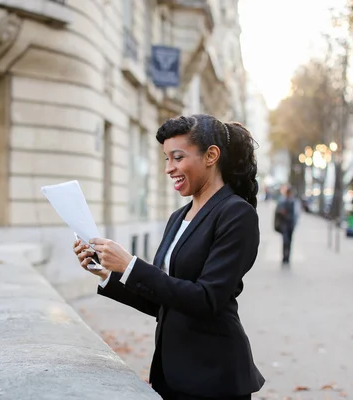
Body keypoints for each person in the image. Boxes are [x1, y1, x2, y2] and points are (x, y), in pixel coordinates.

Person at [73, 114, 265, 399]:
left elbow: (206, 299)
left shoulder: (237, 214)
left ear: (211, 155)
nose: (169, 168)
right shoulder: (178, 217)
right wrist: (109, 273)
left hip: (214, 376)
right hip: (171, 373)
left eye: (177, 157)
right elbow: (166, 303)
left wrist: (131, 265)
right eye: (166, 159)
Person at [274, 186, 300, 265]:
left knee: (289, 241)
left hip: (291, 224)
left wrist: (295, 223)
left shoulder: (294, 202)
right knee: (285, 240)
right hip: (284, 224)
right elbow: (278, 211)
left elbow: (296, 214)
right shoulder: (282, 201)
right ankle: (284, 256)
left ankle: (288, 257)